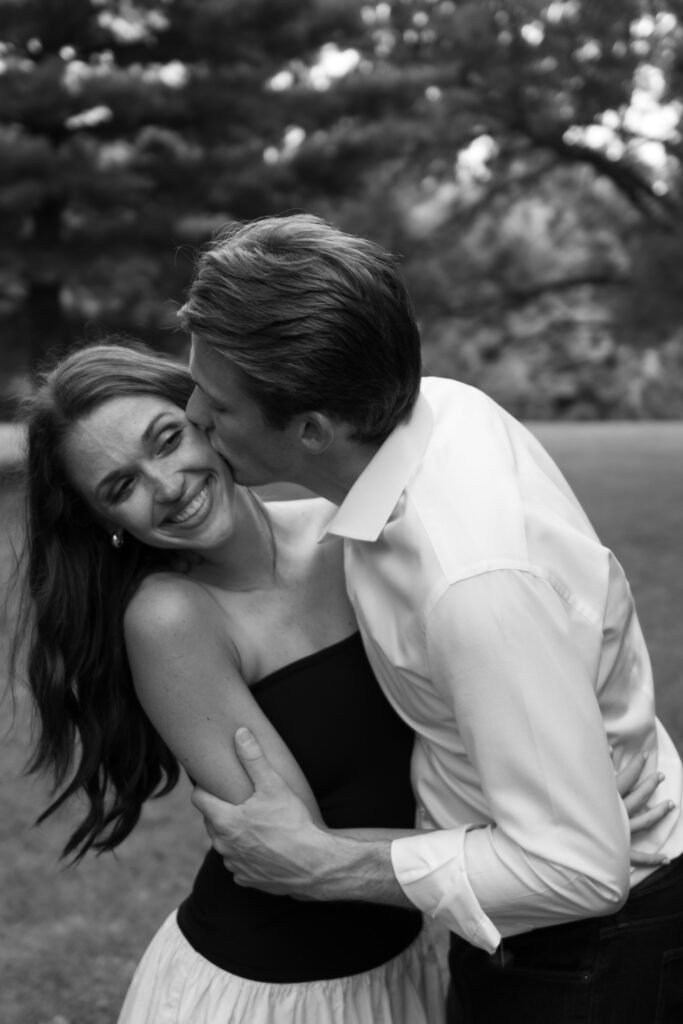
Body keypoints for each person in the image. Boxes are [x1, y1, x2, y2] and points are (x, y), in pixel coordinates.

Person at [177, 212, 683, 1023]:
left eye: (219, 405)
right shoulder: (439, 408)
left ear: (311, 428)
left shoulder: (471, 586)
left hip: (585, 956)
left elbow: (581, 869)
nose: (194, 414)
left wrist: (319, 864)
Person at [13, 341, 447, 1024]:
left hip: (404, 956)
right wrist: (507, 851)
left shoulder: (352, 531)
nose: (166, 486)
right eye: (121, 488)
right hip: (269, 994)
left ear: (206, 417)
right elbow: (295, 854)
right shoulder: (170, 618)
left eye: (166, 440)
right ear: (106, 525)